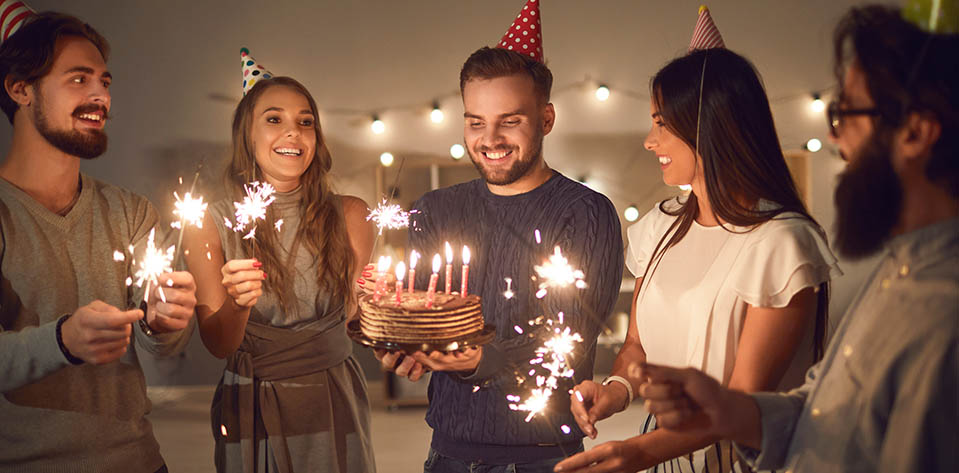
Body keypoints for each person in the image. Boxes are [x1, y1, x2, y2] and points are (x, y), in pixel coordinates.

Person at [634, 5, 958, 473]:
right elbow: (823, 413)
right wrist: (722, 409)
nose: (834, 135)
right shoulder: (899, 272)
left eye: (845, 112)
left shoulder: (941, 310)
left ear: (916, 132)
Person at [557, 25, 841, 473]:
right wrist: (613, 391)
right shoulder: (662, 227)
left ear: (711, 127)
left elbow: (741, 403)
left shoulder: (781, 244)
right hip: (671, 458)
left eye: (662, 124)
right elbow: (638, 347)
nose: (651, 142)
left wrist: (640, 450)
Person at [373, 37, 624, 473]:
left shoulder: (585, 212)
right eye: (475, 122)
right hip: (447, 453)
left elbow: (567, 338)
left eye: (510, 121)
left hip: (545, 456)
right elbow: (425, 315)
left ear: (546, 118)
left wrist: (478, 359)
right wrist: (404, 345)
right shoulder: (434, 209)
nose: (490, 139)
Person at [0, 11, 197, 473]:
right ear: (20, 89)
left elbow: (159, 348)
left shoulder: (131, 212)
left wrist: (164, 323)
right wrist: (62, 340)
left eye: (105, 82)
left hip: (139, 461)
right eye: (78, 79)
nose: (101, 96)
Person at [183, 59, 376, 472]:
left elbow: (357, 322)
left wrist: (382, 303)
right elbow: (218, 344)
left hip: (333, 397)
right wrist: (238, 304)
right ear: (246, 135)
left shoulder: (352, 216)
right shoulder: (208, 224)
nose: (293, 131)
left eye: (306, 122)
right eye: (274, 119)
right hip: (253, 400)